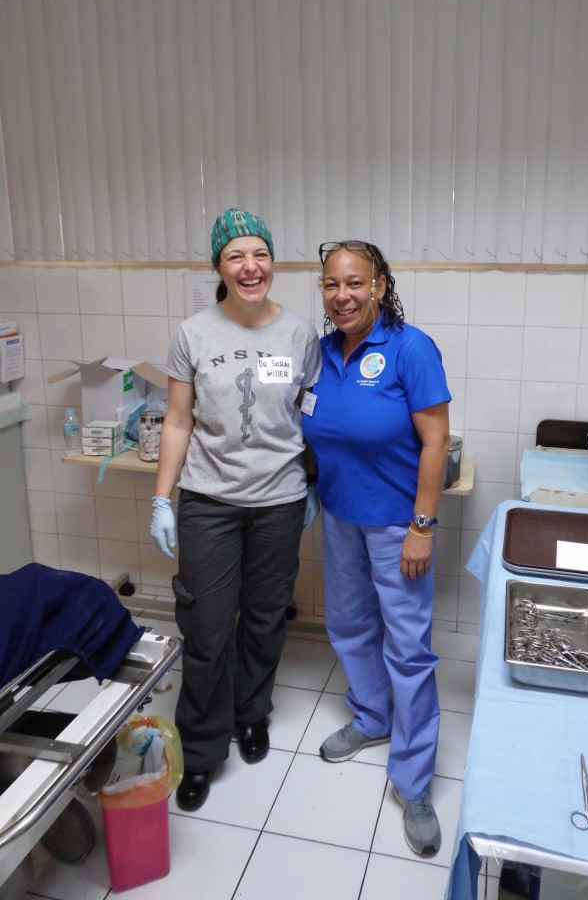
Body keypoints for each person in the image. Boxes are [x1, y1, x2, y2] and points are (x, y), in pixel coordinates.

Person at [150, 208, 321, 812]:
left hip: (278, 501)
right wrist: (161, 497)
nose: (251, 267)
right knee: (206, 629)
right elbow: (177, 420)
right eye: (236, 257)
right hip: (210, 504)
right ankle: (200, 750)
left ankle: (251, 715)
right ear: (219, 267)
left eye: (260, 254)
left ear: (272, 261)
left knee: (266, 619)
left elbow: (312, 415)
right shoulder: (193, 334)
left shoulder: (300, 335)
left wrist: (313, 481)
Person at [302, 240, 451, 856]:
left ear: (381, 284)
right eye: (332, 285)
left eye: (355, 283)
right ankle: (370, 718)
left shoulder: (410, 348)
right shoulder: (318, 352)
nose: (343, 296)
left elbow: (436, 440)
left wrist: (422, 525)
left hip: (397, 524)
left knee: (408, 647)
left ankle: (413, 780)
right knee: (349, 625)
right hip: (340, 516)